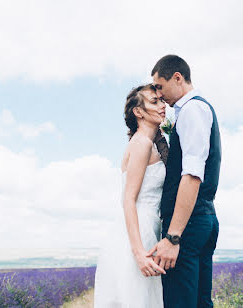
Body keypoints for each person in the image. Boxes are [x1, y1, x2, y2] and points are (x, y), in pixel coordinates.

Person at [147, 55, 221, 308]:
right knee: (199, 302)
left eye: (159, 86)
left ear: (177, 77)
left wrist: (173, 236)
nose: (158, 93)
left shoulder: (191, 110)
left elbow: (191, 175)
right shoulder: (195, 110)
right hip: (203, 218)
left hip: (188, 225)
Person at [94, 84, 168, 307]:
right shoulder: (142, 144)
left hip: (145, 228)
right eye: (154, 102)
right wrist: (139, 252)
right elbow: (128, 199)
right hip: (139, 232)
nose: (162, 106)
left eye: (161, 101)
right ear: (138, 112)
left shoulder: (149, 143)